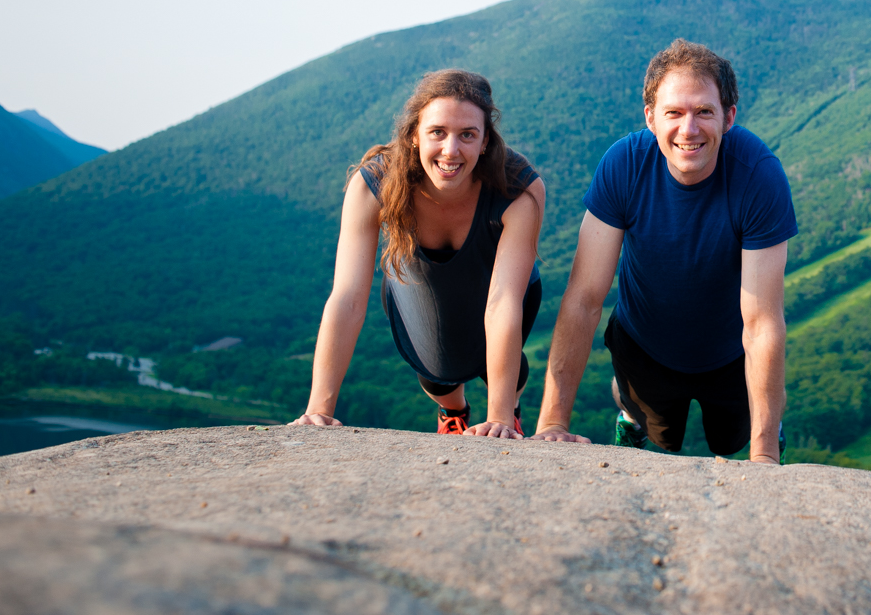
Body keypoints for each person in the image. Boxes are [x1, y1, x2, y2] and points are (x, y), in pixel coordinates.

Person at [531, 39, 797, 463]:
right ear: (651, 118)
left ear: (729, 116)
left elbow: (762, 322)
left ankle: (770, 421)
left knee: (733, 440)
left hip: (731, 353)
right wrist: (552, 424)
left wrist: (764, 454)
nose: (688, 129)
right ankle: (630, 414)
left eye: (704, 112)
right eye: (674, 113)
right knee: (659, 430)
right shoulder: (625, 165)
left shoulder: (758, 176)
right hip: (646, 344)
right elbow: (584, 298)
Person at [292, 69, 544, 437]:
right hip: (418, 287)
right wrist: (318, 411)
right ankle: (452, 411)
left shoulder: (517, 188)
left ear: (486, 141)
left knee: (494, 364)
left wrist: (500, 418)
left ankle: (509, 402)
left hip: (501, 288)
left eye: (467, 135)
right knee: (439, 374)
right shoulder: (373, 184)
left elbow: (504, 301)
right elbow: (347, 298)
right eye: (437, 132)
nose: (451, 150)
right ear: (413, 135)